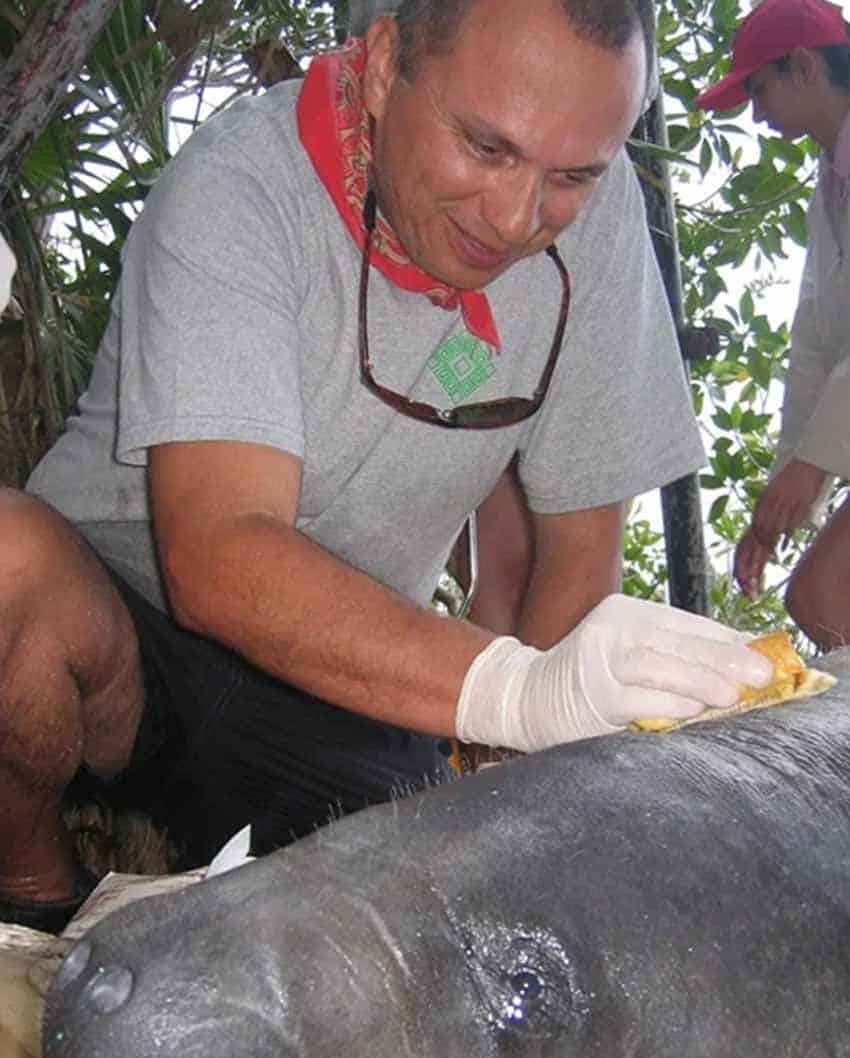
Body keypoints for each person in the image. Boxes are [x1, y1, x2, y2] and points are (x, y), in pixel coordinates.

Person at [1, 0, 772, 933]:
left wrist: (511, 762)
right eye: (486, 148)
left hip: (359, 686)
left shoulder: (593, 233)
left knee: (455, 940)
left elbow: (577, 555)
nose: (519, 217)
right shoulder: (242, 187)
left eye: (571, 175)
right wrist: (518, 690)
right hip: (127, 636)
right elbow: (218, 554)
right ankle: (31, 900)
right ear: (380, 66)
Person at [698, 0, 850, 650]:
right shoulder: (832, 183)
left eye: (759, 88)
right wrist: (783, 491)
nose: (755, 114)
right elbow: (816, 345)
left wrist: (813, 464)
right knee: (821, 601)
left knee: (824, 597)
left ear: (805, 66)